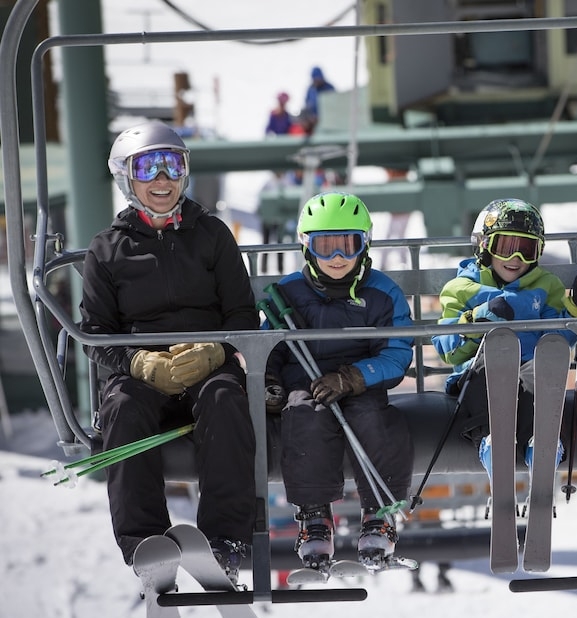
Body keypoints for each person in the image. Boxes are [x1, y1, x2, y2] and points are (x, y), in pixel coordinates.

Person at [79, 121, 258, 585]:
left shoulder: (213, 235)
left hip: (206, 366)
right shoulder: (107, 249)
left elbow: (242, 313)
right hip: (140, 372)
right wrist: (137, 361)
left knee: (225, 401)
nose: (162, 180)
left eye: (172, 165)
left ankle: (225, 541)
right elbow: (96, 331)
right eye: (148, 167)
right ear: (127, 177)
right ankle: (145, 546)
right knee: (121, 408)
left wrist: (215, 352)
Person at [262, 192, 415, 572]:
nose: (336, 258)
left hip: (361, 384)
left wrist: (353, 377)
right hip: (305, 382)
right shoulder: (290, 293)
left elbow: (397, 351)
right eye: (324, 246)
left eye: (348, 245)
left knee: (373, 419)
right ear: (306, 247)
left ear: (365, 245)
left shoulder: (382, 293)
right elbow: (271, 347)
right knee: (304, 416)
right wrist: (270, 380)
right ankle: (315, 517)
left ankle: (378, 511)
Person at [431, 198, 577, 479]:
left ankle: (543, 443)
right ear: (484, 246)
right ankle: (493, 441)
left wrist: (575, 311)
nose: (516, 259)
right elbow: (446, 348)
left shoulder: (545, 286)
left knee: (541, 380)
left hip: (530, 368)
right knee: (486, 382)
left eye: (526, 250)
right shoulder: (461, 289)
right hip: (480, 372)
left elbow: (559, 338)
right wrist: (476, 322)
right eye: (506, 248)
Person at [302, 66, 335, 134]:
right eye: (315, 78)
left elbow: (334, 106)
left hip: (328, 123)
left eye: (318, 78)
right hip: (314, 123)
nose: (317, 80)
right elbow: (307, 105)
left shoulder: (329, 88)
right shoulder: (310, 90)